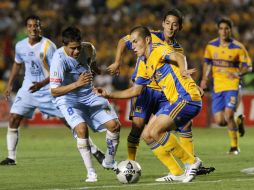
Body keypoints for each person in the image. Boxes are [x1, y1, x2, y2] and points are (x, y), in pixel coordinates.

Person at [107, 9, 214, 175]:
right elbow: (123, 41)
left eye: (175, 24)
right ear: (163, 23)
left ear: (180, 27)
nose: (171, 27)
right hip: (145, 89)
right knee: (138, 127)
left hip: (164, 92)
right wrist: (117, 62)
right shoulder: (148, 36)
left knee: (180, 124)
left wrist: (191, 83)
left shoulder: (177, 49)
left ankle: (189, 165)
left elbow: (179, 68)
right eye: (168, 23)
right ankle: (131, 165)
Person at [0, 15, 104, 166]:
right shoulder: (20, 46)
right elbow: (17, 63)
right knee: (14, 117)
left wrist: (41, 84)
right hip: (28, 88)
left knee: (71, 123)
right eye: (30, 26)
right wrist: (10, 84)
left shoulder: (49, 46)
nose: (33, 29)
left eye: (36, 26)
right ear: (26, 28)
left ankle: (95, 150)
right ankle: (11, 157)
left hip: (48, 90)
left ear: (40, 28)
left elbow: (56, 73)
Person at [49, 26, 121, 182]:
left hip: (89, 95)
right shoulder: (58, 60)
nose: (76, 51)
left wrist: (94, 66)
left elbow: (91, 54)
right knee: (81, 129)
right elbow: (54, 91)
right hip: (68, 99)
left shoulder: (86, 48)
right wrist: (77, 84)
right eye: (72, 48)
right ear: (64, 45)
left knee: (115, 125)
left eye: (78, 47)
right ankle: (91, 172)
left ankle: (108, 161)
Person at [200, 17, 252, 155]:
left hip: (232, 86)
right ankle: (238, 120)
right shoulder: (211, 46)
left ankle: (234, 147)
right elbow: (207, 63)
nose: (224, 31)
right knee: (220, 121)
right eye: (221, 28)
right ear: (218, 30)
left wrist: (238, 74)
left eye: (226, 28)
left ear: (230, 30)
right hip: (218, 87)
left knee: (228, 114)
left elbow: (248, 67)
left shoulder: (238, 47)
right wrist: (204, 78)